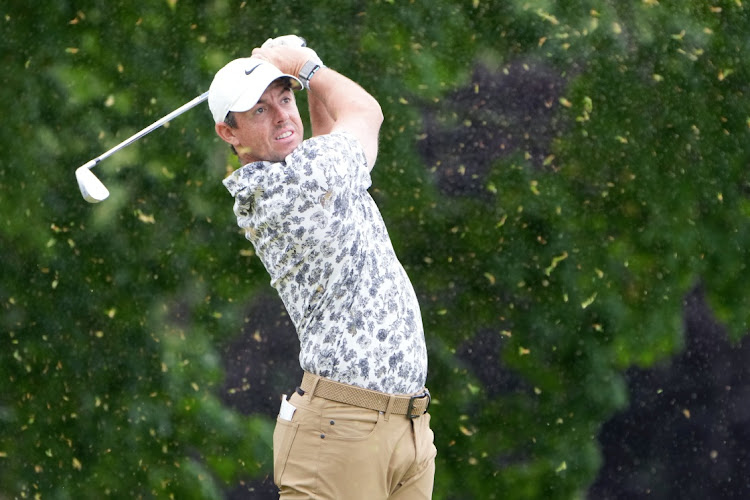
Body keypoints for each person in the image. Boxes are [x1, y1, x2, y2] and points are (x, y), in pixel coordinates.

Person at [208, 36, 436, 499]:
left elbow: (329, 136)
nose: (281, 117)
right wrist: (305, 64)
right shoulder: (287, 189)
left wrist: (305, 78)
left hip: (407, 428)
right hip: (341, 432)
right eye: (258, 111)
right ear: (229, 133)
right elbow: (366, 112)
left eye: (285, 99)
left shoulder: (311, 168)